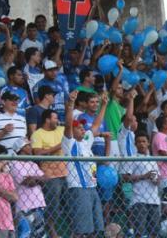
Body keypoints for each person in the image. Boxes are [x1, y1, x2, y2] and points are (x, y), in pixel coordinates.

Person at [62, 88, 105, 237]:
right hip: (79, 188)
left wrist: (104, 105)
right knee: (81, 229)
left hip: (92, 187)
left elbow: (95, 126)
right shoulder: (69, 143)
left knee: (95, 227)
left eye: (82, 127)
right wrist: (71, 104)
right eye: (79, 128)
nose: (82, 129)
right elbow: (68, 125)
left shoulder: (86, 142)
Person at [31, 108, 68, 238]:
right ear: (47, 119)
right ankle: (52, 232)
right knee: (53, 205)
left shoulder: (62, 130)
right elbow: (37, 154)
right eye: (55, 118)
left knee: (70, 204)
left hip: (67, 173)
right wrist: (55, 148)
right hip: (50, 176)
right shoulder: (37, 134)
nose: (57, 120)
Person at [122, 133, 161, 238]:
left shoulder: (152, 159)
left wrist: (156, 180)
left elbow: (159, 179)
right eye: (139, 142)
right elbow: (125, 177)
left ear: (148, 143)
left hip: (154, 200)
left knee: (154, 232)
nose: (141, 144)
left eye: (144, 141)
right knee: (140, 232)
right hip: (139, 200)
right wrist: (144, 176)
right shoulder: (133, 158)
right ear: (135, 144)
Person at [10, 138, 47, 238]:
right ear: (21, 148)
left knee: (40, 234)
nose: (31, 148)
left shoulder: (33, 163)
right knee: (26, 234)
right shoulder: (14, 164)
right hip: (23, 206)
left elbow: (45, 179)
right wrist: (37, 178)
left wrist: (34, 178)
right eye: (28, 146)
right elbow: (28, 183)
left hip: (38, 204)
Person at [152, 114, 167, 188]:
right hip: (163, 175)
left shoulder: (165, 136)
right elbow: (163, 154)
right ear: (164, 125)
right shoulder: (160, 136)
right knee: (166, 198)